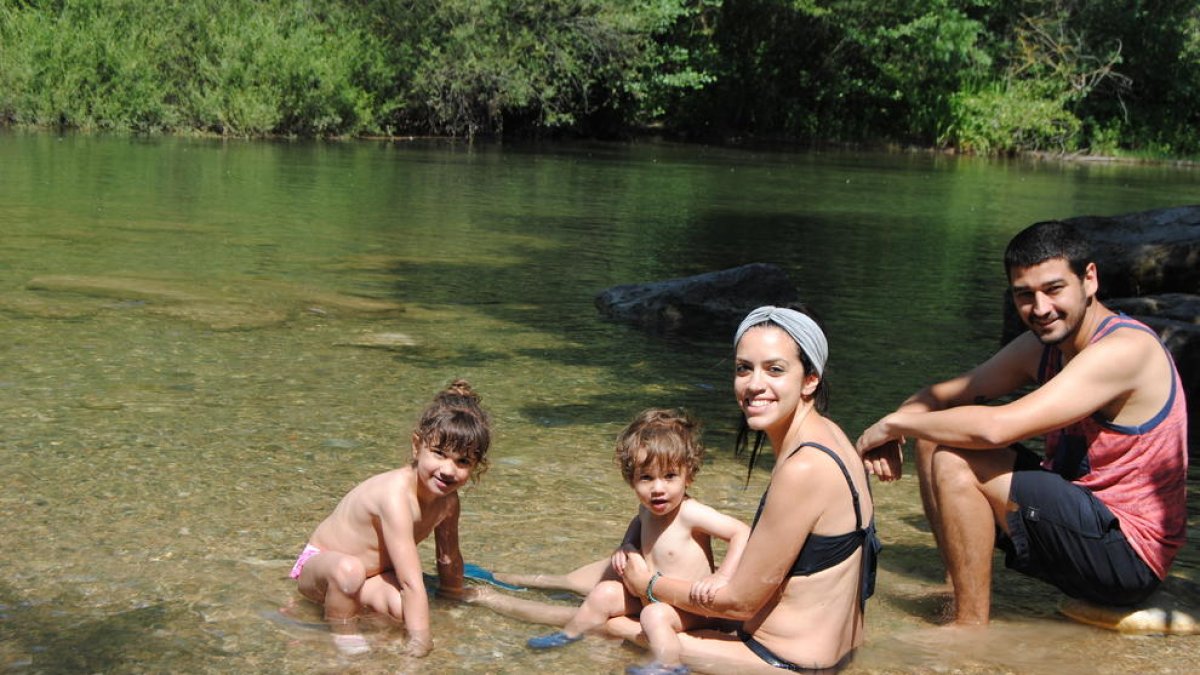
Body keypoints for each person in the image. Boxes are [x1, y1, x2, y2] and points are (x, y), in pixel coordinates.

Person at [856, 219, 1188, 626]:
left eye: (1053, 289)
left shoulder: (1125, 349)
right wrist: (907, 420)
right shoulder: (1041, 347)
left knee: (956, 459)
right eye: (1024, 295)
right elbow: (940, 396)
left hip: (1129, 559)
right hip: (1083, 528)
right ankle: (955, 588)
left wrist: (892, 427)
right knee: (935, 437)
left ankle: (968, 631)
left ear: (1089, 279)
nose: (1040, 308)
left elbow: (997, 428)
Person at [616, 306, 880, 673]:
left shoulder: (804, 467)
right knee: (620, 602)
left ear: (810, 380)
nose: (754, 384)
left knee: (609, 624)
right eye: (744, 368)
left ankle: (510, 598)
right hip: (834, 652)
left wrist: (651, 582)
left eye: (775, 369)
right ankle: (512, 589)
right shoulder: (832, 436)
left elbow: (740, 604)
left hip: (784, 660)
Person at [525, 408, 751, 675]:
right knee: (603, 593)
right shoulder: (647, 510)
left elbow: (742, 533)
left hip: (691, 608)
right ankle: (572, 634)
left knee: (654, 616)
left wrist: (722, 576)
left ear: (687, 475)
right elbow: (637, 523)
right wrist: (626, 545)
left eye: (669, 476)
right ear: (631, 480)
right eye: (646, 477)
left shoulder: (690, 513)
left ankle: (670, 665)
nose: (658, 488)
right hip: (650, 596)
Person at [289, 379, 491, 656]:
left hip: (374, 575)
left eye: (463, 462)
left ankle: (381, 644)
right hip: (323, 571)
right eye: (439, 454)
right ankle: (343, 642)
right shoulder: (394, 496)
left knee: (403, 611)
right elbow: (410, 582)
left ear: (476, 467)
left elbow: (449, 557)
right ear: (416, 445)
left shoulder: (448, 501)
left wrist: (452, 598)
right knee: (350, 571)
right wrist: (422, 645)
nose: (448, 469)